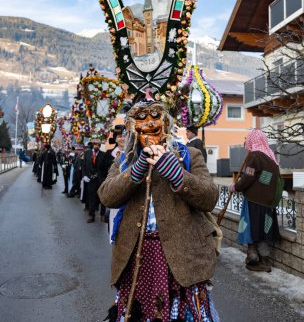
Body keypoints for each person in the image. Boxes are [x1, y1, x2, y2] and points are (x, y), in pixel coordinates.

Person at [98, 100, 219, 322]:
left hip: (183, 256)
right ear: (132, 127)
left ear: (166, 122)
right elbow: (106, 196)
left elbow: (209, 198)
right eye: (141, 119)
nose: (148, 123)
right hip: (137, 256)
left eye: (155, 117)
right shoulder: (124, 160)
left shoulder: (189, 155)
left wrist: (176, 173)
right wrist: (135, 171)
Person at [229, 129, 280, 273]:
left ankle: (258, 259)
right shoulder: (271, 157)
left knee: (252, 229)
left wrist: (236, 186)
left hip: (254, 201)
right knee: (262, 230)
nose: (246, 142)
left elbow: (248, 178)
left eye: (248, 139)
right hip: (268, 203)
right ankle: (260, 258)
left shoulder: (254, 156)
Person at [101, 125, 126, 228]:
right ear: (115, 138)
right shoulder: (108, 154)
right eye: (120, 136)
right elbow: (102, 173)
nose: (123, 139)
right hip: (113, 192)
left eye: (125, 135)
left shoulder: (134, 153)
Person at [82, 138, 105, 223]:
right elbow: (83, 165)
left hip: (100, 179)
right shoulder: (87, 153)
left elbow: (105, 168)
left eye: (98, 145)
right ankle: (91, 215)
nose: (97, 146)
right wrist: (84, 175)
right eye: (95, 144)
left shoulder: (103, 154)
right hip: (90, 179)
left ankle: (102, 214)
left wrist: (104, 178)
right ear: (93, 144)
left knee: (102, 197)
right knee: (91, 197)